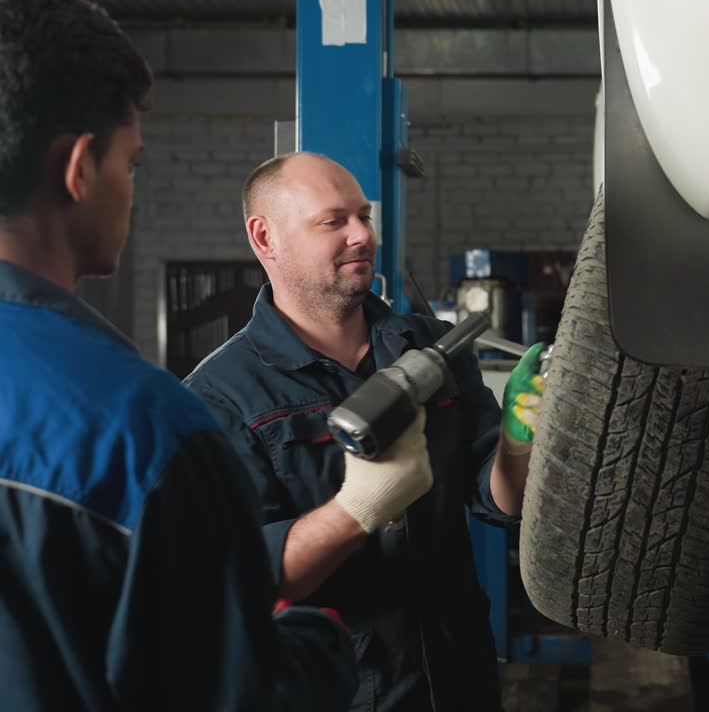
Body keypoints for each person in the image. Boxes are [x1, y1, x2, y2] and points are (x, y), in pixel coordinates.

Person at [0, 0, 380, 709]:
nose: (359, 235)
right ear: (80, 169)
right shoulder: (148, 432)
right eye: (132, 163)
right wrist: (317, 639)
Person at [183, 151, 545, 712]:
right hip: (340, 690)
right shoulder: (221, 396)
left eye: (363, 217)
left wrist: (519, 444)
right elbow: (247, 575)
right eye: (333, 221)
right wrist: (357, 508)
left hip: (459, 675)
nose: (361, 235)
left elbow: (496, 501)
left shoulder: (431, 348)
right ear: (265, 237)